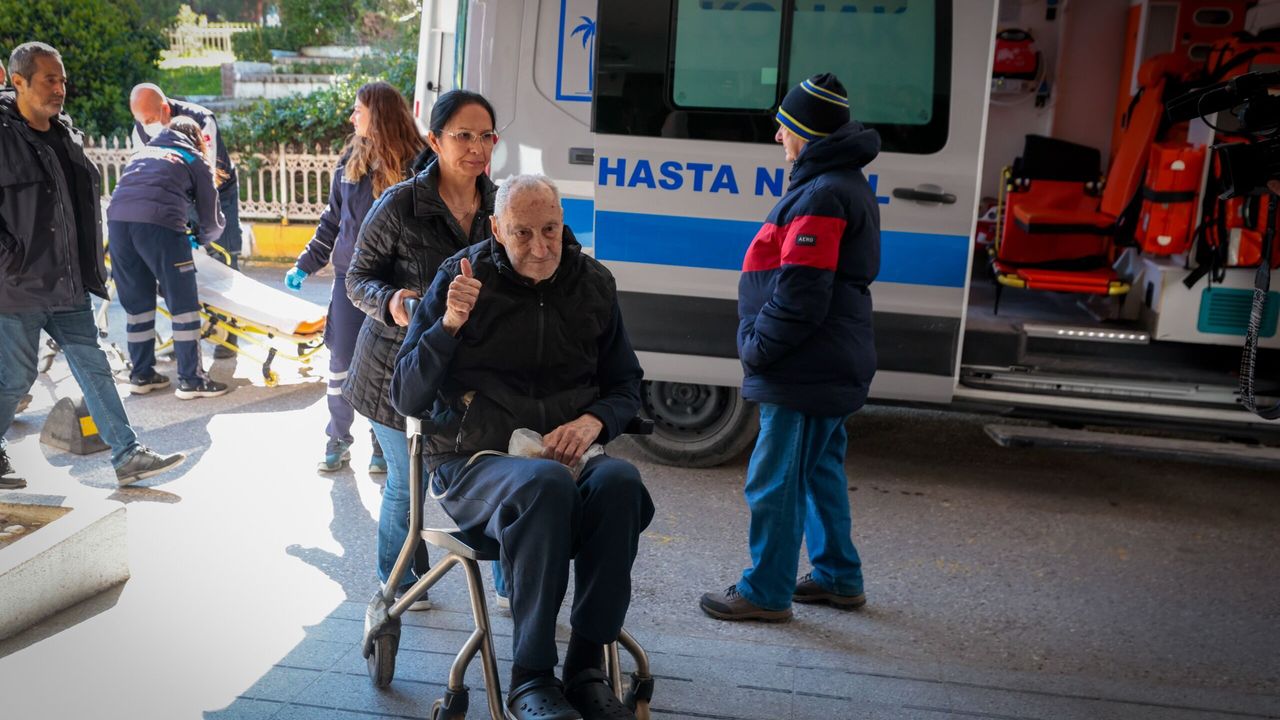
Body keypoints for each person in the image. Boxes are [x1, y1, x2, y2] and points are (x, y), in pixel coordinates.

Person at [391, 174, 653, 720]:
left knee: (620, 482)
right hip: (475, 461)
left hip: (568, 459)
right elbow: (406, 394)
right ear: (495, 229)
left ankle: (586, 668)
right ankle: (530, 676)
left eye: (550, 230)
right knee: (546, 485)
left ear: (563, 222)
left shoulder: (592, 282)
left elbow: (626, 385)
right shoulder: (461, 277)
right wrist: (449, 324)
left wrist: (593, 421)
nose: (539, 248)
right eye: (522, 233)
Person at [699, 73, 880, 622]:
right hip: (827, 357)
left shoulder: (823, 194)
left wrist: (758, 347)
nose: (778, 135)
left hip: (803, 364)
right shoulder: (837, 183)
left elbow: (802, 291)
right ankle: (838, 575)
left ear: (808, 130)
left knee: (775, 481)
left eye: (785, 125)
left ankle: (766, 590)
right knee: (820, 472)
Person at [0, 42, 186, 489]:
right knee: (16, 378)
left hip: (68, 281)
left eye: (62, 79)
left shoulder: (66, 134)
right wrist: (9, 258)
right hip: (17, 285)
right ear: (18, 81)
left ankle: (127, 455)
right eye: (50, 79)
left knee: (94, 366)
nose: (60, 88)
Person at [345, 89, 498, 610]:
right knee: (407, 483)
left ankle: (510, 580)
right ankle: (397, 583)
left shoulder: (499, 206)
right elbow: (357, 278)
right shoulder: (399, 204)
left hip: (468, 372)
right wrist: (392, 302)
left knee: (497, 467)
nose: (476, 148)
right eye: (463, 136)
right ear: (435, 140)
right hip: (395, 369)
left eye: (485, 136)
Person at [285, 82, 427, 474]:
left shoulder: (418, 161)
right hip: (351, 279)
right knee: (342, 361)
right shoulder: (351, 158)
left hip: (396, 284)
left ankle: (382, 445)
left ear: (378, 114)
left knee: (387, 367)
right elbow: (333, 219)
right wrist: (306, 263)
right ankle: (337, 437)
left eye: (358, 110)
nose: (352, 118)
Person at [106, 116, 229, 400]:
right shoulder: (193, 158)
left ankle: (142, 375)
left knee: (138, 304)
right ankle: (192, 380)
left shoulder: (142, 153)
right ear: (196, 139)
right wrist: (200, 238)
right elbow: (212, 219)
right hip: (160, 226)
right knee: (183, 304)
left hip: (118, 226)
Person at [130, 83, 242, 359]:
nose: (146, 125)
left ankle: (228, 333)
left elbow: (207, 174)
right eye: (142, 121)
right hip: (175, 195)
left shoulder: (201, 120)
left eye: (150, 119)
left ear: (165, 108)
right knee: (178, 266)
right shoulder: (140, 130)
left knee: (224, 257)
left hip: (217, 190)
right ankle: (187, 332)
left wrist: (204, 227)